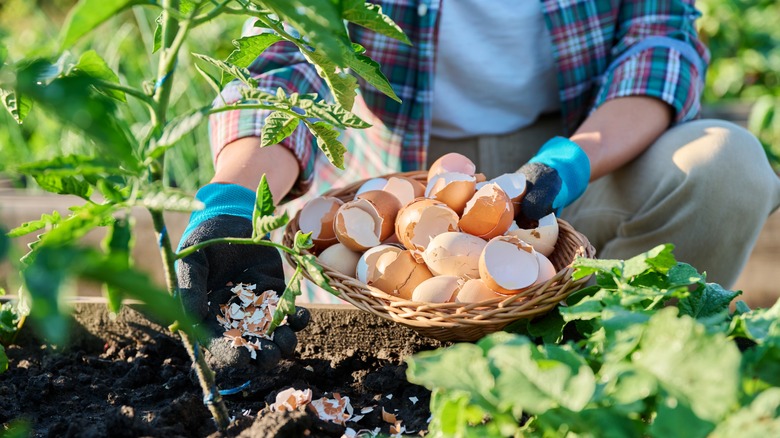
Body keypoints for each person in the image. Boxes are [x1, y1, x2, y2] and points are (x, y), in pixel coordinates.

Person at [177, 1, 780, 368]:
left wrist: (568, 162)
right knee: (374, 333)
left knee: (726, 167)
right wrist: (233, 196)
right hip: (396, 179)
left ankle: (623, 369)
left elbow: (659, 40)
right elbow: (290, 60)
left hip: (580, 152)